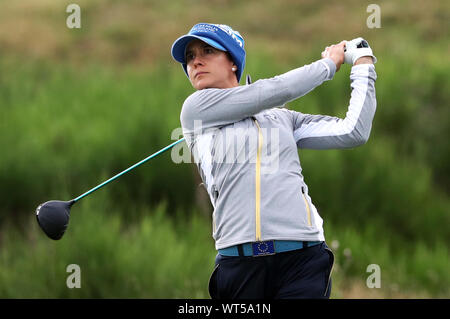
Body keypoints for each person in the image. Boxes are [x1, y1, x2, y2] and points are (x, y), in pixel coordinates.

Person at [171, 23, 377, 299]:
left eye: (207, 51)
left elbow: (353, 131)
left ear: (233, 62)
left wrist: (363, 63)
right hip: (239, 265)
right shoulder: (195, 110)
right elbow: (274, 90)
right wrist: (327, 65)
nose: (195, 61)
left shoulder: (282, 118)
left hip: (302, 259)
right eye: (189, 56)